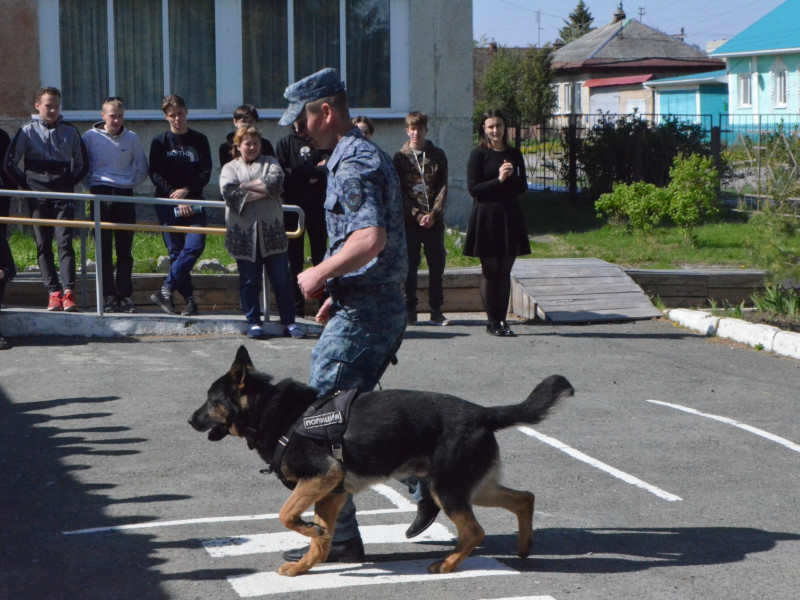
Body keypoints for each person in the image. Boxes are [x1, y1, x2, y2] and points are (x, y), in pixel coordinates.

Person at [279, 68, 438, 564]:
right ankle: (424, 480)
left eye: (302, 119)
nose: (297, 130)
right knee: (357, 414)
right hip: (367, 300)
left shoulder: (353, 163)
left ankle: (341, 538)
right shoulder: (353, 156)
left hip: (371, 309)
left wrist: (319, 273)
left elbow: (370, 238)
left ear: (325, 111)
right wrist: (340, 287)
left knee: (325, 417)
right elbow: (366, 243)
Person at [3, 87, 88, 312]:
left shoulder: (70, 131)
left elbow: (82, 164)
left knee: (64, 241)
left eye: (56, 106)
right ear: (37, 106)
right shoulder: (27, 131)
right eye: (48, 105)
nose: (52, 110)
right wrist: (27, 186)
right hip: (37, 193)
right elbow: (10, 164)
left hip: (62, 192)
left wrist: (69, 183)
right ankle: (53, 292)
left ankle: (69, 292)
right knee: (43, 243)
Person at [219, 125, 304, 340]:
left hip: (272, 234)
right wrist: (263, 192)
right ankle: (253, 321)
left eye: (255, 142)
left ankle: (290, 322)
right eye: (247, 143)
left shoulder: (271, 163)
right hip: (244, 236)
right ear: (238, 146)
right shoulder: (230, 168)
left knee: (282, 280)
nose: (252, 147)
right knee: (249, 281)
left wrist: (246, 186)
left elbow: (275, 184)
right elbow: (230, 195)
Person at [465, 109, 530, 337]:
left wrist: (511, 178)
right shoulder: (478, 155)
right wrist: (498, 179)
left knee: (505, 271)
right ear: (484, 128)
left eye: (499, 125)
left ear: (505, 127)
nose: (495, 130)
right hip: (486, 217)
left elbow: (522, 187)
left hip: (509, 217)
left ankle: (502, 321)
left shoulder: (514, 153)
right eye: (491, 126)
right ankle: (491, 321)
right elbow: (474, 190)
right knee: (490, 270)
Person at [82, 96, 149, 313]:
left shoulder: (132, 139)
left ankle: (124, 295)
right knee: (103, 249)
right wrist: (93, 185)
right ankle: (108, 296)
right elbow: (83, 167)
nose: (116, 120)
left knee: (124, 250)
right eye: (112, 116)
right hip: (100, 194)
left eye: (120, 116)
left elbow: (141, 168)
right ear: (103, 116)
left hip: (124, 195)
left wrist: (128, 184)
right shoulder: (90, 137)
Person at [148, 94, 212, 316]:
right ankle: (189, 300)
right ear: (166, 117)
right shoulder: (160, 141)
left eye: (180, 114)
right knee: (176, 251)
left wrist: (187, 192)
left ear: (187, 112)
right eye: (172, 115)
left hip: (193, 199)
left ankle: (166, 289)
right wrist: (174, 195)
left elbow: (206, 171)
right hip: (167, 201)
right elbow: (154, 172)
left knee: (195, 245)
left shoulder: (200, 140)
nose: (178, 119)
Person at [393, 111, 449, 325]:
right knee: (410, 264)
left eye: (420, 129)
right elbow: (399, 191)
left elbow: (443, 186)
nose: (416, 133)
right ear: (407, 131)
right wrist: (416, 215)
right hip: (410, 220)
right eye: (412, 129)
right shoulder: (400, 158)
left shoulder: (438, 155)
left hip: (433, 219)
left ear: (426, 130)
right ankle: (410, 309)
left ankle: (436, 309)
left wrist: (434, 214)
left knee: (437, 263)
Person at [275, 119, 330, 317]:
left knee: (321, 257)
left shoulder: (321, 141)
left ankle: (324, 305)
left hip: (318, 207)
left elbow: (328, 168)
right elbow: (283, 173)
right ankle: (296, 308)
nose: (302, 124)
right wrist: (310, 175)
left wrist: (306, 172)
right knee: (293, 260)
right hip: (292, 208)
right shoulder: (284, 143)